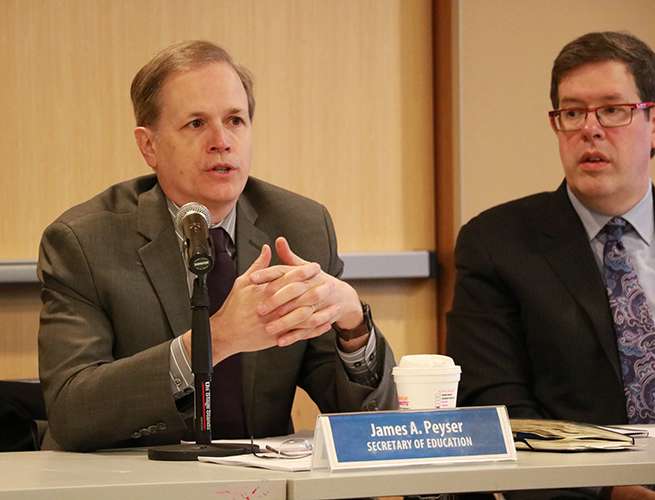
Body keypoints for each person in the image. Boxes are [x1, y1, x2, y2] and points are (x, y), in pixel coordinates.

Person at [37, 40, 397, 452]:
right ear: (149, 145)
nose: (221, 141)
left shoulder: (300, 227)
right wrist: (216, 339)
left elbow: (368, 421)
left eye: (235, 121)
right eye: (196, 124)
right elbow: (71, 411)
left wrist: (352, 325)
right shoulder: (84, 242)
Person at [446, 31, 655, 500]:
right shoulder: (497, 242)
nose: (590, 129)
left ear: (653, 121)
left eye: (613, 110)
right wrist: (604, 488)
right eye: (573, 112)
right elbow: (495, 408)